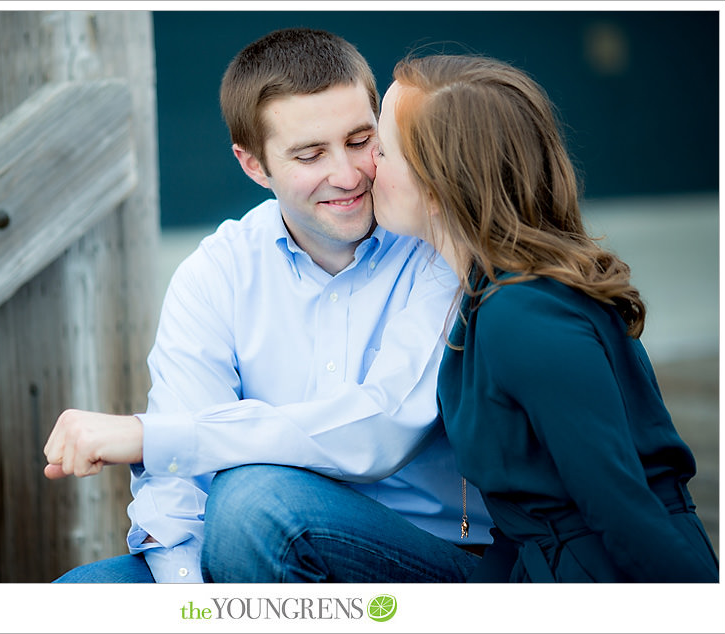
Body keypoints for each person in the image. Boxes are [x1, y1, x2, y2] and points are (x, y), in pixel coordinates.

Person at [43, 28, 493, 583]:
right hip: (246, 552)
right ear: (254, 165)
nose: (348, 176)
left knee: (255, 499)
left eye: (360, 141)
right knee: (78, 595)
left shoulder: (435, 245)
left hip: (425, 556)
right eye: (310, 155)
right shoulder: (217, 272)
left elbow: (382, 428)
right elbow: (179, 489)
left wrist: (155, 436)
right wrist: (190, 603)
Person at [370, 52, 719, 582]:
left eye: (382, 149)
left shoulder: (525, 314)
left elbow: (622, 510)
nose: (366, 163)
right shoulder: (490, 293)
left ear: (439, 186)